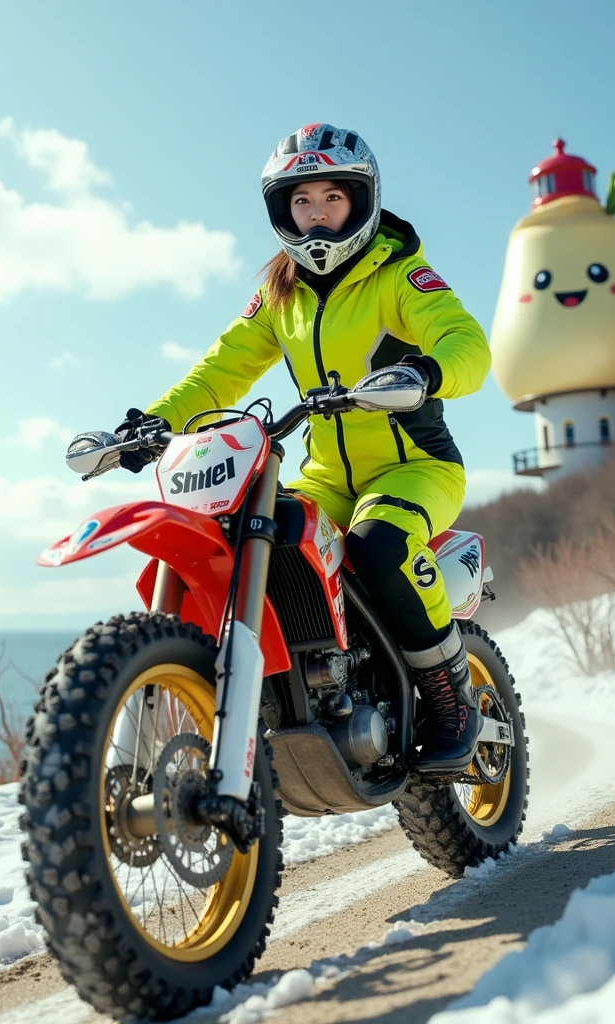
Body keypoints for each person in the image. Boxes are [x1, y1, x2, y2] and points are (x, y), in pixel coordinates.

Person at [115, 123, 491, 771]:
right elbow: (219, 372)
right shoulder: (278, 294)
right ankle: (292, 692)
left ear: (360, 202)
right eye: (302, 202)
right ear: (281, 210)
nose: (317, 215)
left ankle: (449, 696)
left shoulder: (400, 273)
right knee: (267, 535)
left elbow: (468, 345)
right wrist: (153, 422)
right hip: (326, 476)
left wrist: (427, 374)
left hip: (413, 468)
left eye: (332, 199)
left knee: (382, 545)